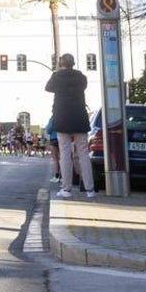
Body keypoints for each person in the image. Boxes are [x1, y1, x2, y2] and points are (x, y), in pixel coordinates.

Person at [44, 53, 95, 199]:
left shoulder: (57, 76)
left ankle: (66, 189)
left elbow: (48, 88)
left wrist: (57, 72)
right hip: (79, 117)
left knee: (65, 154)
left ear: (61, 63)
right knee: (83, 154)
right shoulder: (81, 77)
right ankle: (89, 190)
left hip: (62, 118)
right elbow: (84, 86)